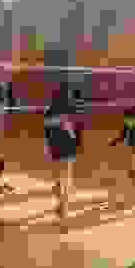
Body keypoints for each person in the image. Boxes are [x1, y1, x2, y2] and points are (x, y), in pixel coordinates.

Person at [44, 83, 81, 223]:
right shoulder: (71, 109)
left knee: (61, 177)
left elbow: (47, 133)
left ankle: (61, 204)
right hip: (68, 147)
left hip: (56, 148)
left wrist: (48, 148)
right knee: (67, 177)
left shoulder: (49, 111)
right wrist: (77, 144)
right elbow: (76, 130)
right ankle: (64, 207)